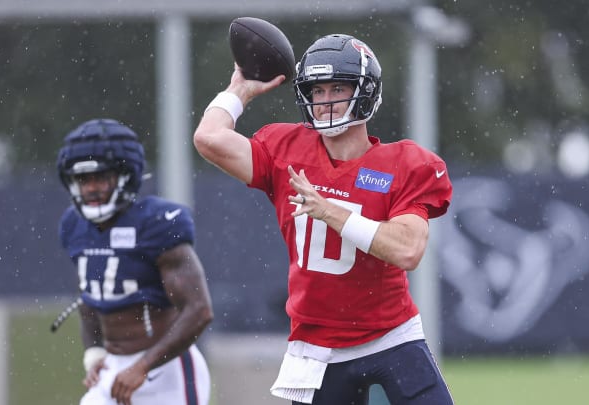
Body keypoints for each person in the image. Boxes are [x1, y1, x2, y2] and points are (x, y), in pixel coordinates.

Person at [193, 34, 454, 404]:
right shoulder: (285, 149)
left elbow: (408, 249)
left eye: (337, 88)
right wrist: (240, 90)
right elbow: (209, 138)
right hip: (317, 347)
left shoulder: (403, 164)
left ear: (365, 92)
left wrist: (329, 209)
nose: (326, 101)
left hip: (390, 338)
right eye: (317, 91)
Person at [57, 118, 214, 405]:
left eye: (100, 178)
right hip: (114, 368)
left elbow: (199, 310)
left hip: (167, 370)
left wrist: (142, 366)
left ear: (125, 176)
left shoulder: (155, 223)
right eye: (83, 179)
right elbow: (89, 297)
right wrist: (94, 353)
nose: (90, 188)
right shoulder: (74, 226)